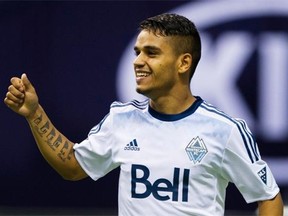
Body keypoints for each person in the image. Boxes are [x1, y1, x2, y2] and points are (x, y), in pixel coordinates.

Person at [4, 13, 283, 215]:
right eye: (138, 52)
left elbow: (269, 197)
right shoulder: (121, 120)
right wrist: (34, 113)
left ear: (183, 63)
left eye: (151, 53)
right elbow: (73, 167)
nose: (138, 61)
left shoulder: (224, 130)